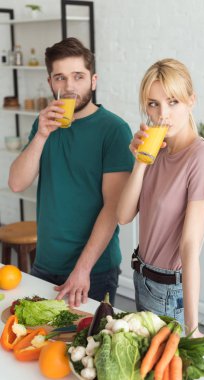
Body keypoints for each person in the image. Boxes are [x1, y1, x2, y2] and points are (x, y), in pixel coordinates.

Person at [8, 37, 134, 308]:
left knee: (80, 347)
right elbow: (17, 183)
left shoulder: (113, 130)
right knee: (38, 343)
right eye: (60, 78)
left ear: (93, 80)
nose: (69, 87)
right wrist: (41, 135)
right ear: (50, 82)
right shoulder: (44, 124)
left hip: (93, 270)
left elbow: (113, 208)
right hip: (44, 262)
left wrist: (82, 269)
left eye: (78, 76)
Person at [117, 58, 204, 337]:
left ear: (191, 101)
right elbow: (123, 216)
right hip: (142, 279)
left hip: (169, 292)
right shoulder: (155, 151)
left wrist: (193, 327)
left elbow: (189, 244)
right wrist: (139, 162)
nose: (162, 114)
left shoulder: (201, 156)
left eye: (172, 102)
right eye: (153, 104)